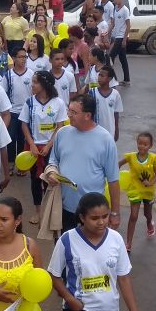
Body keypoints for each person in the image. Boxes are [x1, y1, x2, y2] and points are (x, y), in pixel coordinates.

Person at [45, 93, 121, 231]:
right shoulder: (62, 133)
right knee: (65, 242)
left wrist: (115, 213)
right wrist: (51, 172)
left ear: (87, 115)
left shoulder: (105, 140)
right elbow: (53, 160)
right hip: (64, 207)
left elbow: (113, 180)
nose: (69, 115)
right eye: (69, 110)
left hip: (92, 213)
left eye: (74, 112)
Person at [19, 70, 67, 219]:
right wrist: (32, 144)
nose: (32, 85)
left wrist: (49, 145)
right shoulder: (30, 102)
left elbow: (60, 127)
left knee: (50, 180)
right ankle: (38, 212)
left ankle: (49, 211)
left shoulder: (58, 103)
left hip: (51, 148)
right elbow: (24, 124)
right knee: (35, 180)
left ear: (45, 84)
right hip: (33, 149)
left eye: (35, 82)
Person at [118, 132, 156, 250]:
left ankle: (149, 223)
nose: (142, 146)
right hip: (135, 190)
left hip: (148, 191)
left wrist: (150, 183)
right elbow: (118, 164)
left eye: (145, 144)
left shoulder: (153, 159)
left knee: (147, 214)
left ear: (150, 146)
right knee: (133, 216)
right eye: (140, 143)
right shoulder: (131, 157)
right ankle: (128, 243)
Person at [0, 47, 36, 166]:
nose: (23, 59)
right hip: (12, 112)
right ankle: (10, 163)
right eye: (20, 57)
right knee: (10, 138)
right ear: (14, 58)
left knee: (23, 139)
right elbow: (2, 93)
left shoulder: (31, 74)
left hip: (26, 113)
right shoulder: (8, 75)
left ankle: (21, 165)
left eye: (25, 57)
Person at [90, 66, 123, 142]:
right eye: (99, 75)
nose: (99, 78)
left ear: (109, 79)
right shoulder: (92, 92)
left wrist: (116, 129)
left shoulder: (115, 94)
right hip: (95, 131)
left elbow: (116, 113)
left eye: (102, 76)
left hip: (110, 131)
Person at [108, 0, 132, 84]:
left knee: (110, 57)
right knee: (123, 59)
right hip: (116, 35)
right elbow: (113, 23)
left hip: (121, 37)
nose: (115, 0)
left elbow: (128, 26)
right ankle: (127, 79)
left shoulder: (125, 10)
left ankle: (112, 79)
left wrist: (124, 39)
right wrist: (107, 33)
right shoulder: (115, 8)